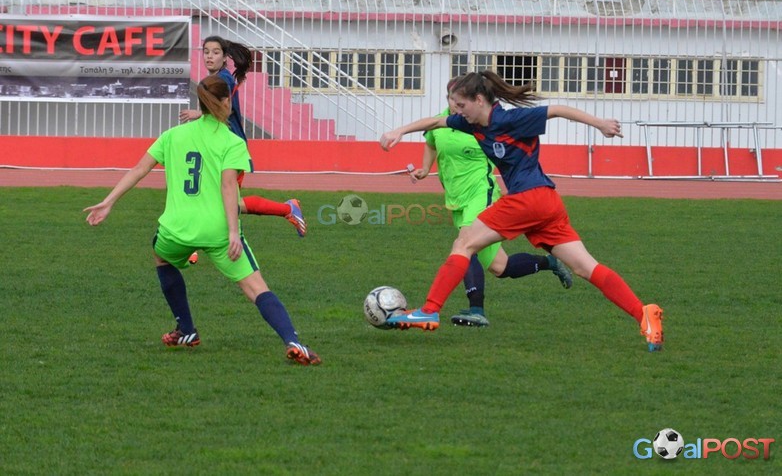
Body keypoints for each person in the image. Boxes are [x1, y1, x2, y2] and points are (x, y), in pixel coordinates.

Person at [380, 71, 664, 352]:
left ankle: (430, 311)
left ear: (479, 100)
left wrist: (600, 124)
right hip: (547, 203)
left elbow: (558, 110)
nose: (457, 111)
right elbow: (434, 122)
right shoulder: (471, 122)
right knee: (585, 267)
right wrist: (399, 131)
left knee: (464, 244)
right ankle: (644, 313)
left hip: (528, 199)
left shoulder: (511, 119)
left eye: (461, 104)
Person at [84, 74, 321, 365]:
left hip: (177, 230)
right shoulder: (232, 142)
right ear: (226, 101)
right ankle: (293, 341)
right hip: (218, 232)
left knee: (161, 256)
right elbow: (228, 187)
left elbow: (139, 169)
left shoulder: (173, 135)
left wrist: (108, 202)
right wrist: (233, 233)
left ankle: (186, 329)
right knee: (256, 288)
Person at [412, 79, 572, 327]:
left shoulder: (477, 123)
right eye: (451, 100)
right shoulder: (440, 122)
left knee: (465, 246)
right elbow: (431, 143)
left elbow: (501, 143)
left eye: (459, 101)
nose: (455, 104)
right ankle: (549, 262)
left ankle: (475, 311)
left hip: (481, 192)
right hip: (456, 200)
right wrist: (424, 168)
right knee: (501, 267)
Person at [179, 35, 306, 266]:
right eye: (206, 52)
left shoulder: (224, 79)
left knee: (223, 201)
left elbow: (224, 108)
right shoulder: (214, 79)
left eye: (215, 52)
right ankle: (287, 208)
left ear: (224, 57)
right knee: (224, 201)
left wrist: (200, 113)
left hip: (231, 149)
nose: (209, 56)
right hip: (218, 147)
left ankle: (191, 246)